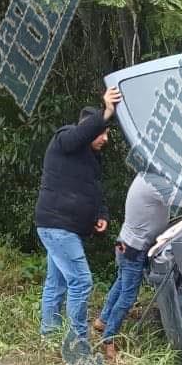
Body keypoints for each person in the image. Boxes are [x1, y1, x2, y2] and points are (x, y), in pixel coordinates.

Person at [35, 86, 122, 343]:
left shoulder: (89, 159)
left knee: (57, 282)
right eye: (101, 132)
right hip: (56, 225)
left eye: (107, 132)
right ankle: (77, 342)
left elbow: (94, 190)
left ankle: (48, 334)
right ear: (88, 128)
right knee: (82, 281)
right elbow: (78, 135)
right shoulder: (64, 139)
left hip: (64, 227)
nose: (105, 138)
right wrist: (105, 112)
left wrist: (101, 213)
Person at [94, 168, 177, 362]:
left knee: (121, 283)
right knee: (128, 296)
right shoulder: (155, 183)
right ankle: (108, 340)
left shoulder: (145, 176)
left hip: (125, 243)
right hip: (134, 249)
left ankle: (102, 320)